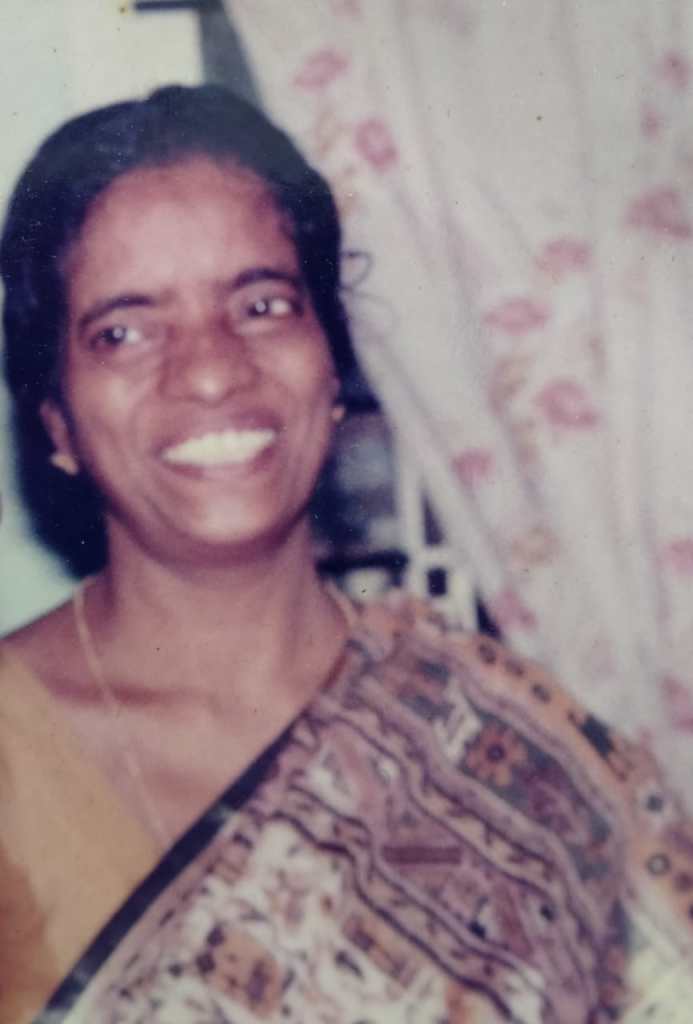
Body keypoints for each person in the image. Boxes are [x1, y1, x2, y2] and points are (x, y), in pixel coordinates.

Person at [0, 85, 691, 1024]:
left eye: (262, 304)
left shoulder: (509, 754)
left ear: (332, 367)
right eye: (124, 331)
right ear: (57, 423)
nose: (211, 369)